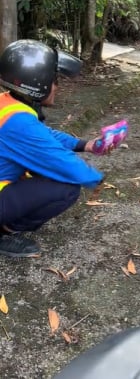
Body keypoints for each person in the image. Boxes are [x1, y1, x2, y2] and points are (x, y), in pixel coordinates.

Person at [0, 39, 106, 258]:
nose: (57, 86)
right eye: (55, 80)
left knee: (40, 172)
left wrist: (85, 145)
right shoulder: (19, 121)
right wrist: (94, 178)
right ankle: (3, 233)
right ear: (38, 83)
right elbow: (58, 159)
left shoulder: (8, 104)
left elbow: (45, 135)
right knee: (66, 187)